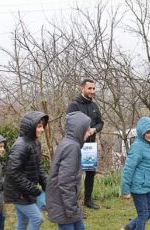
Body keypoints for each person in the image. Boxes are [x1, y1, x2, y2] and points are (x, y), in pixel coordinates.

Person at [46, 111, 92, 230]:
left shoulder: (68, 143)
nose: (89, 132)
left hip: (66, 203)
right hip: (63, 204)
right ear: (79, 129)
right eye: (87, 129)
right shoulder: (72, 147)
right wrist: (71, 209)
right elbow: (65, 182)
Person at [4, 111, 49, 230]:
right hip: (19, 193)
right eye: (39, 126)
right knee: (37, 219)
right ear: (30, 127)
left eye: (43, 126)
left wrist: (46, 185)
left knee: (23, 223)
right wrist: (34, 189)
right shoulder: (21, 146)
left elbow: (38, 167)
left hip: (27, 191)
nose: (42, 129)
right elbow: (13, 173)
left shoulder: (35, 143)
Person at [67, 79, 104, 210]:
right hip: (76, 145)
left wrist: (94, 129)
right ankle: (73, 204)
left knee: (90, 173)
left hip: (90, 146)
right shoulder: (74, 105)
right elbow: (70, 124)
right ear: (82, 88)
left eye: (94, 88)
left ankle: (88, 201)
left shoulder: (94, 106)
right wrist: (83, 131)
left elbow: (100, 123)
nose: (92, 91)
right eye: (90, 88)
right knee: (75, 176)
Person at [121, 116, 150, 230]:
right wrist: (125, 190)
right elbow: (128, 168)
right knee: (143, 215)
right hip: (138, 186)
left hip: (146, 185)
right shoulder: (137, 147)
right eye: (148, 132)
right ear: (142, 132)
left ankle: (129, 227)